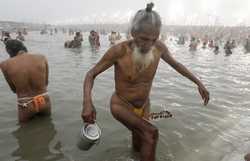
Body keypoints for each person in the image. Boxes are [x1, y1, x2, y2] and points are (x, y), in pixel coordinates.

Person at [81, 3, 209, 161]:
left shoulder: (159, 48)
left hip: (144, 106)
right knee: (151, 133)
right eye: (144, 39)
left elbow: (177, 65)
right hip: (121, 105)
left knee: (140, 142)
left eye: (153, 39)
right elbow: (91, 74)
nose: (148, 44)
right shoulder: (119, 51)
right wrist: (87, 102)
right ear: (133, 32)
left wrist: (199, 83)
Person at [0, 40, 51, 123]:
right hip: (44, 99)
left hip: (25, 104)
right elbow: (46, 83)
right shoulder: (42, 57)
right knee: (47, 126)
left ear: (9, 51)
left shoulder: (4, 64)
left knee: (25, 132)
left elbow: (13, 90)